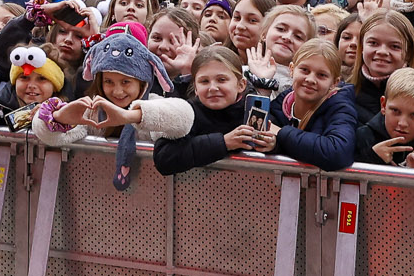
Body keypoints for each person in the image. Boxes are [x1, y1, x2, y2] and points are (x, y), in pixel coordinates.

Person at [31, 23, 191, 189]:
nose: (117, 91)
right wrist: (58, 117)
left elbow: (185, 117)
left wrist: (130, 116)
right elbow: (47, 135)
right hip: (97, 192)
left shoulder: (152, 104)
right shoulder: (92, 110)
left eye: (126, 82)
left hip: (152, 192)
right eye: (108, 81)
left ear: (142, 83)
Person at [153, 44, 262, 176]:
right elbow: (164, 158)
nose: (213, 88)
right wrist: (223, 142)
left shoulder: (255, 110)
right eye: (204, 81)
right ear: (196, 88)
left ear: (241, 85)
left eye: (221, 80)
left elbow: (278, 140)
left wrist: (273, 145)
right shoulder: (187, 112)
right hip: (195, 187)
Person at [255, 41, 356, 170]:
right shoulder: (282, 102)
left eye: (322, 75)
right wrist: (274, 145)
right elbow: (255, 132)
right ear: (292, 69)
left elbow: (338, 152)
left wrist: (281, 133)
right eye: (304, 70)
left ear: (334, 82)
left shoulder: (340, 107)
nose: (310, 79)